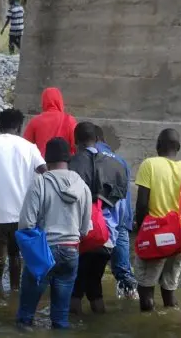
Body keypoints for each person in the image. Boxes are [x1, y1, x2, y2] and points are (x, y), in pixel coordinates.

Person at [16, 137, 92, 330]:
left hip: (43, 252)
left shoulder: (39, 183)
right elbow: (85, 230)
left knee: (25, 317)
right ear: (68, 159)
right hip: (71, 253)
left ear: (46, 159)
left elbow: (26, 224)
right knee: (60, 319)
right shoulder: (83, 186)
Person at [0, 109, 44, 296]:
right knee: (15, 255)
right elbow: (46, 173)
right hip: (22, 216)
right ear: (20, 126)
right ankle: (15, 293)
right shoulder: (30, 147)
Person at [134, 128, 181, 312]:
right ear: (178, 147)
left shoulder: (149, 165)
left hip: (155, 237)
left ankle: (147, 326)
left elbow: (141, 204)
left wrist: (141, 233)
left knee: (146, 288)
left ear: (157, 145)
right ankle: (170, 320)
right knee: (170, 288)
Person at [68, 122, 124, 314]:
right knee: (94, 286)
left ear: (75, 141)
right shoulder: (116, 164)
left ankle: (71, 329)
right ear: (98, 139)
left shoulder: (72, 164)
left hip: (82, 238)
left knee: (75, 289)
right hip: (107, 238)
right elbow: (121, 208)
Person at [94, 126, 138, 299]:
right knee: (124, 273)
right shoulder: (120, 160)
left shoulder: (90, 156)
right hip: (120, 222)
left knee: (88, 272)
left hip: (98, 221)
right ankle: (132, 297)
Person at [23, 87, 77, 156]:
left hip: (41, 164)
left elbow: (26, 146)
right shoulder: (70, 120)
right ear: (60, 101)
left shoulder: (35, 121)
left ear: (43, 101)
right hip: (63, 164)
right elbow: (75, 146)